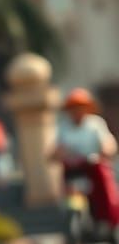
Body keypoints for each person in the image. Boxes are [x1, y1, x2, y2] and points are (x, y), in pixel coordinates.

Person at [51, 88, 119, 227]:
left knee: (106, 189)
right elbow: (56, 149)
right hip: (74, 170)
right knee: (69, 196)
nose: (76, 111)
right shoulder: (63, 127)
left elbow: (107, 142)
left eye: (80, 107)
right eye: (73, 108)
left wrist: (106, 150)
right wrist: (57, 154)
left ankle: (110, 219)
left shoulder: (95, 124)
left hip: (93, 167)